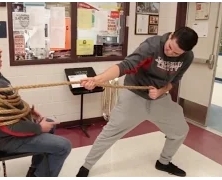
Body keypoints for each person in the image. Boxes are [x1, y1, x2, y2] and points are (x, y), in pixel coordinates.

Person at [76, 27, 198, 177]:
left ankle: (163, 162)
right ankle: (86, 166)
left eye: (176, 53)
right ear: (171, 36)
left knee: (180, 130)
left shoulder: (187, 58)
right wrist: (98, 79)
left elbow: (175, 80)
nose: (170, 53)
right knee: (110, 133)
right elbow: (126, 65)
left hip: (159, 98)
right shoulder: (152, 45)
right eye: (170, 47)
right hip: (134, 94)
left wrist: (161, 91)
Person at [0, 36, 72, 177]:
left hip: (7, 133)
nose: (0, 50)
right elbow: (8, 126)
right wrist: (38, 128)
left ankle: (34, 170)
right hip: (7, 140)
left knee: (50, 124)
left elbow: (9, 107)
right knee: (64, 146)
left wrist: (28, 114)